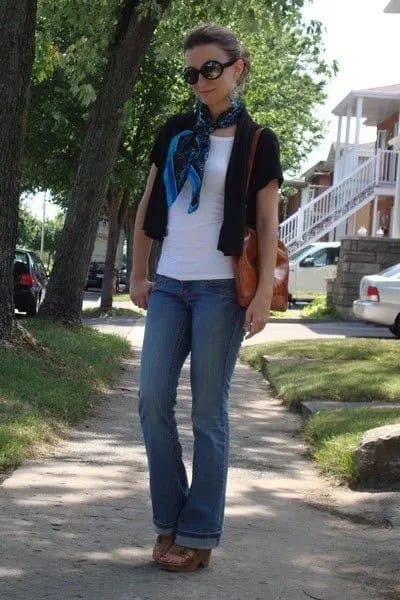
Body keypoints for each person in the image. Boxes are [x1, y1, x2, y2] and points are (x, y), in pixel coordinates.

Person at [130, 23, 283, 572]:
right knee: (151, 404)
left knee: (209, 417)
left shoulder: (259, 141)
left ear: (237, 69)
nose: (200, 81)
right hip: (170, 285)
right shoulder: (173, 131)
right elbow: (151, 206)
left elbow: (267, 226)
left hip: (222, 292)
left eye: (211, 69)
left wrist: (262, 292)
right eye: (192, 73)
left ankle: (198, 535)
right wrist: (138, 273)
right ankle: (169, 520)